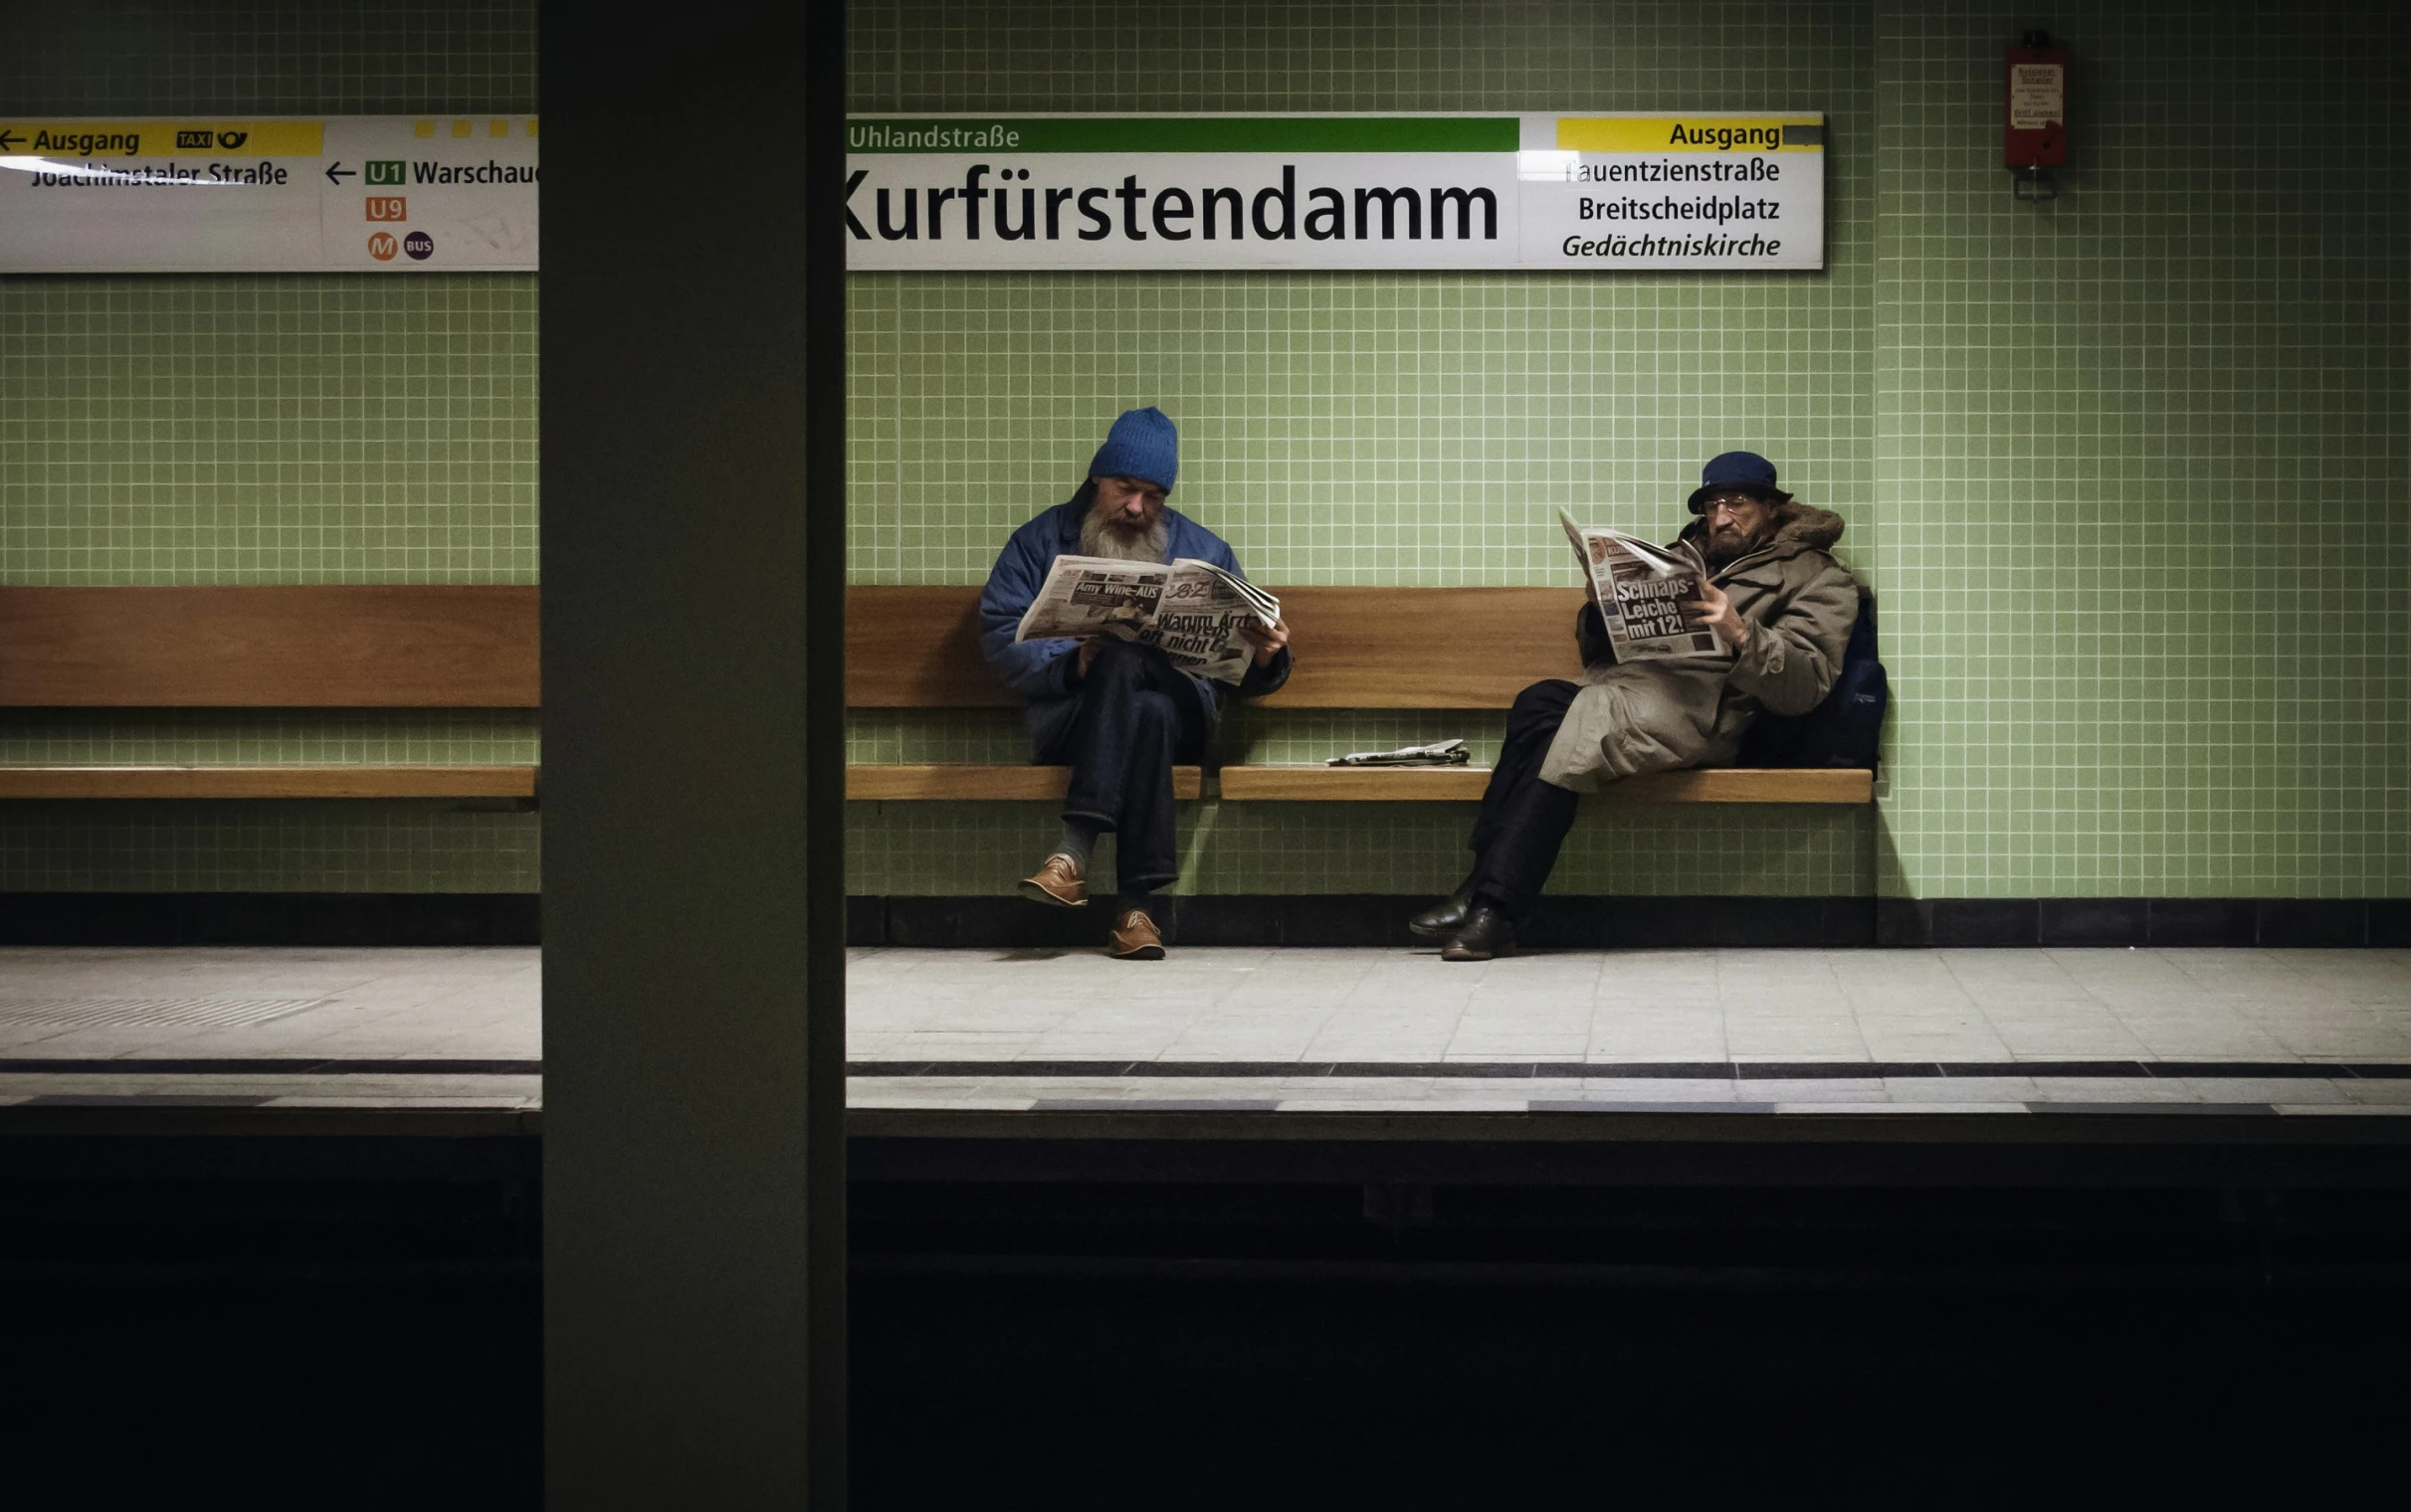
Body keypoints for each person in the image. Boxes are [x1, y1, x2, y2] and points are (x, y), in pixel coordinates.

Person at [1410, 451, 1861, 961]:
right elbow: (1603, 650)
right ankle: (1484, 884)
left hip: (1704, 710)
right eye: (1713, 504)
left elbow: (1806, 685)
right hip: (1628, 685)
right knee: (1539, 701)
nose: (1720, 518)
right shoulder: (1677, 555)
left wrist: (1739, 630)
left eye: (1736, 504)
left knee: (1586, 716)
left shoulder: (1818, 577)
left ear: (1772, 507)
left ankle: (1494, 907)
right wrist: (1603, 603)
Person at [977, 407, 1292, 960]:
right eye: (1126, 489)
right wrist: (1074, 660)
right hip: (1075, 723)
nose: (1136, 507)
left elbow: (1242, 666)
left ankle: (1073, 853)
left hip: (1187, 717)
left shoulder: (1204, 550)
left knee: (1132, 665)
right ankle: (1136, 909)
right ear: (1098, 476)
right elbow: (1002, 636)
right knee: (1144, 706)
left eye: (1153, 496)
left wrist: (1267, 656)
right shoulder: (1036, 541)